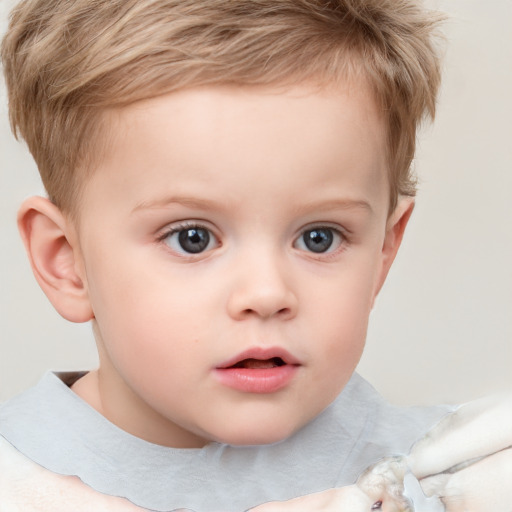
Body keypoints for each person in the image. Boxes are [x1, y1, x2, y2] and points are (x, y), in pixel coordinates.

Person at [0, 0, 461, 510]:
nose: (266, 293)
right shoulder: (16, 481)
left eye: (319, 237)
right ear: (66, 261)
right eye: (192, 237)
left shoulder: (449, 477)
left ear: (382, 253)